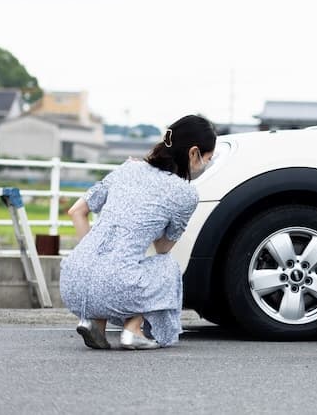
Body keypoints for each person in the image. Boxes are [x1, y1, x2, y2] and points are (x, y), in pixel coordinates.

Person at [60, 114, 216, 350]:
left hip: (72, 279)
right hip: (112, 285)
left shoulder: (127, 169)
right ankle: (133, 329)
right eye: (207, 158)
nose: (206, 165)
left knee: (117, 266)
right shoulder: (185, 193)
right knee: (166, 266)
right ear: (193, 153)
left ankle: (95, 323)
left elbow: (76, 211)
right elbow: (163, 247)